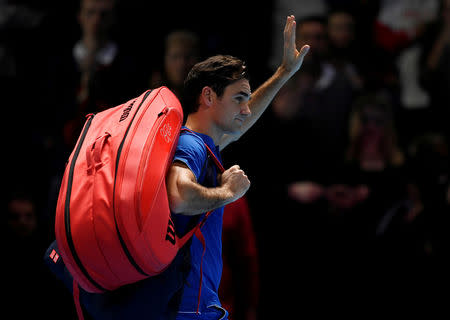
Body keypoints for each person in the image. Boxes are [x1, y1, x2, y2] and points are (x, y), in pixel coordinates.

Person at [45, 15, 309, 320]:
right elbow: (180, 195)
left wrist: (284, 72)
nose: (246, 108)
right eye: (239, 98)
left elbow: (238, 126)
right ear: (208, 96)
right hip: (187, 310)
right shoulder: (191, 146)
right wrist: (226, 192)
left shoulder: (196, 144)